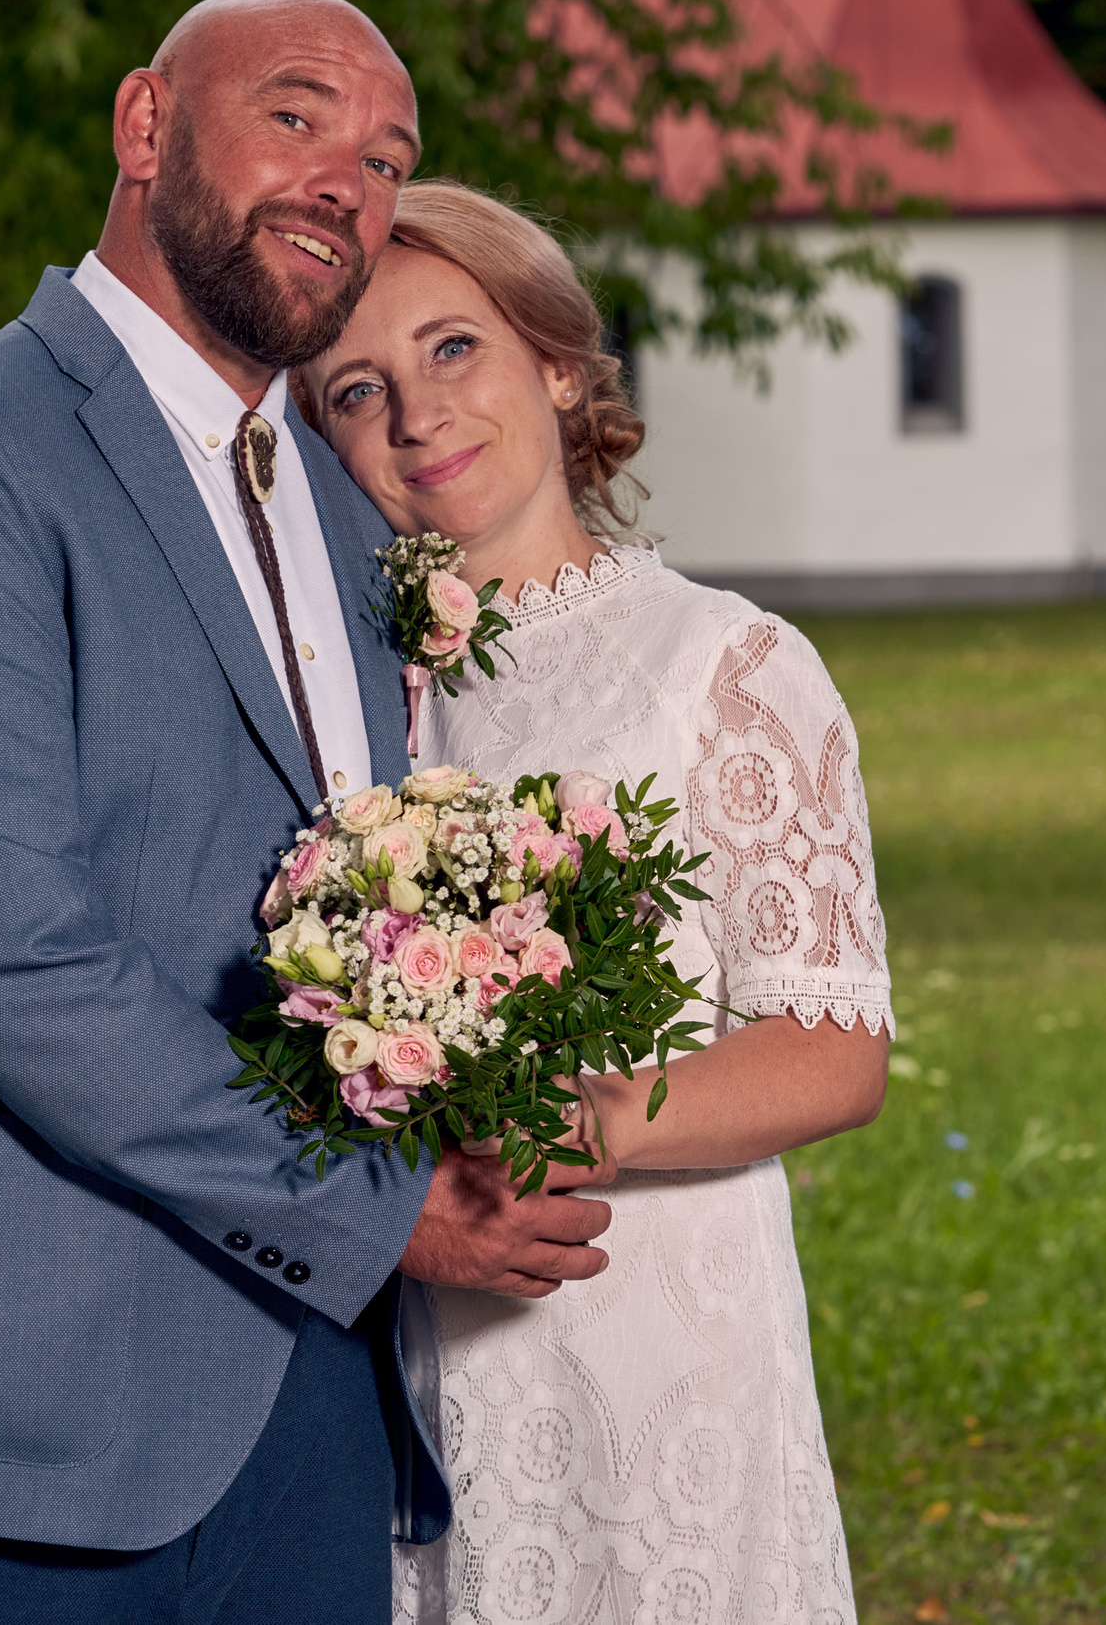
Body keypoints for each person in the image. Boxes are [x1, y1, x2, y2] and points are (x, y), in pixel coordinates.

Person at [0, 0, 617, 1625]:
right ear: (146, 128)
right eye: (295, 117)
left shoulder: (357, 523)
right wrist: (381, 1208)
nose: (346, 179)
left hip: (299, 1438)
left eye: (387, 155)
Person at [299, 180, 892, 1625]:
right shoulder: (341, 695)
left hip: (649, 1309)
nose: (416, 415)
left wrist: (565, 1122)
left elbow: (832, 1048)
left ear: (557, 364)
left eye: (455, 350)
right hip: (407, 1317)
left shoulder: (722, 663)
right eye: (356, 388)